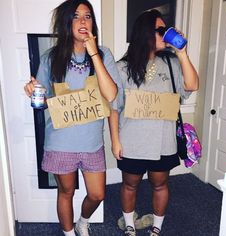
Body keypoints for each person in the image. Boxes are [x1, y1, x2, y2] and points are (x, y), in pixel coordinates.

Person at [24, 1, 119, 236]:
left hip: (91, 142)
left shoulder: (104, 54)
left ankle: (83, 222)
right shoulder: (51, 57)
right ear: (66, 22)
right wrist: (34, 91)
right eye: (76, 16)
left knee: (98, 194)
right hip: (61, 141)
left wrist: (93, 51)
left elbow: (111, 94)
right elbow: (43, 101)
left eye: (88, 16)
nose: (83, 21)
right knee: (65, 192)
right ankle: (68, 233)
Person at [108, 9, 199, 236]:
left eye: (165, 30)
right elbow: (114, 108)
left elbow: (192, 85)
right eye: (160, 30)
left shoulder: (171, 64)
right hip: (132, 141)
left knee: (160, 184)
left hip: (163, 142)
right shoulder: (122, 68)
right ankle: (130, 225)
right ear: (145, 33)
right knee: (130, 185)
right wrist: (115, 141)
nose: (165, 34)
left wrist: (182, 53)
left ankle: (156, 228)